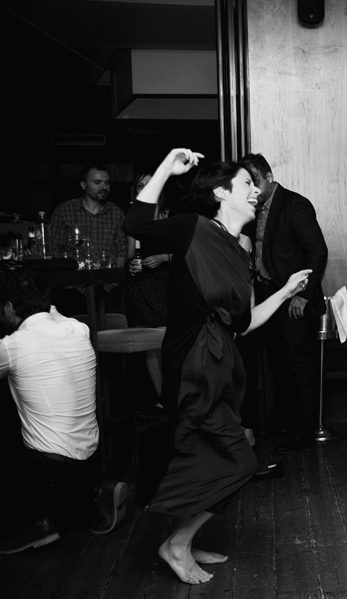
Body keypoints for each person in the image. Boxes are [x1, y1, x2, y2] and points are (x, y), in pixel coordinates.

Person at [124, 149, 311, 585]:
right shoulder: (193, 228)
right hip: (193, 364)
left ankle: (185, 540)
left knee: (214, 457)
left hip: (223, 365)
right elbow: (135, 225)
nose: (256, 191)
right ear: (221, 192)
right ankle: (175, 544)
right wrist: (167, 167)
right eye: (247, 184)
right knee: (240, 462)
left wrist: (284, 292)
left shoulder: (239, 249)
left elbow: (243, 323)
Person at [0, 268, 127, 554]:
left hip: (48, 473)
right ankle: (93, 499)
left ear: (8, 307)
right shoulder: (76, 329)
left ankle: (40, 522)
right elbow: (52, 312)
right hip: (90, 463)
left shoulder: (13, 345)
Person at [239, 153, 328, 453]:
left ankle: (304, 430)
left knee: (299, 365)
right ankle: (284, 422)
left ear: (268, 177)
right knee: (277, 364)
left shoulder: (294, 204)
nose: (250, 188)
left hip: (293, 299)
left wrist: (303, 294)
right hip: (267, 297)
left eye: (253, 182)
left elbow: (317, 252)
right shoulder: (253, 207)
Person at [123, 172, 171, 401]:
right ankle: (163, 397)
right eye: (141, 184)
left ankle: (176, 395)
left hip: (167, 283)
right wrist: (132, 265)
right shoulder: (135, 218)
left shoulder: (168, 215)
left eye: (149, 183)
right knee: (151, 346)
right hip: (143, 285)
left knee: (170, 341)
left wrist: (163, 258)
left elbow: (185, 250)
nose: (145, 187)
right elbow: (131, 254)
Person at [49, 164, 126, 267]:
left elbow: (122, 251)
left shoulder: (116, 213)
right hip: (75, 278)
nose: (104, 187)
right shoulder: (65, 210)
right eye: (97, 182)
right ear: (83, 185)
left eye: (107, 183)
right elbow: (55, 249)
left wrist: (116, 278)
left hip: (107, 278)